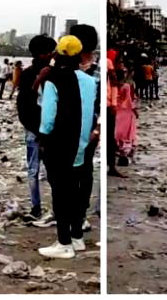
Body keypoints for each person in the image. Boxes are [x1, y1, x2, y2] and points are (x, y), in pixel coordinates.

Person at [37, 35, 97, 259]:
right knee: (76, 190)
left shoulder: (54, 79)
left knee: (60, 193)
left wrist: (43, 141)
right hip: (81, 143)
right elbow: (89, 112)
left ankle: (63, 243)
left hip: (60, 144)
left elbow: (48, 118)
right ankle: (77, 237)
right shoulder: (90, 81)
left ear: (58, 54)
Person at [17, 35, 56, 220]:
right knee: (34, 171)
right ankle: (36, 207)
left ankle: (57, 208)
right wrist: (39, 131)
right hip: (35, 130)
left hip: (52, 131)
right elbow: (24, 105)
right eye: (49, 51)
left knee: (53, 172)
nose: (52, 54)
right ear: (40, 54)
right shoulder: (28, 75)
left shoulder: (57, 73)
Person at [70, 23, 101, 228]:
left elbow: (101, 103)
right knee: (73, 171)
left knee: (83, 170)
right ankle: (72, 212)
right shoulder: (68, 67)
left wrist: (96, 129)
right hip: (70, 127)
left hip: (88, 129)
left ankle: (80, 214)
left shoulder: (97, 72)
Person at [114, 68, 138, 166]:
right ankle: (126, 151)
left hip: (116, 109)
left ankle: (118, 149)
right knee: (128, 132)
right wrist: (135, 111)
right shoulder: (126, 86)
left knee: (117, 131)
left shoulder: (113, 86)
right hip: (126, 111)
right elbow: (128, 100)